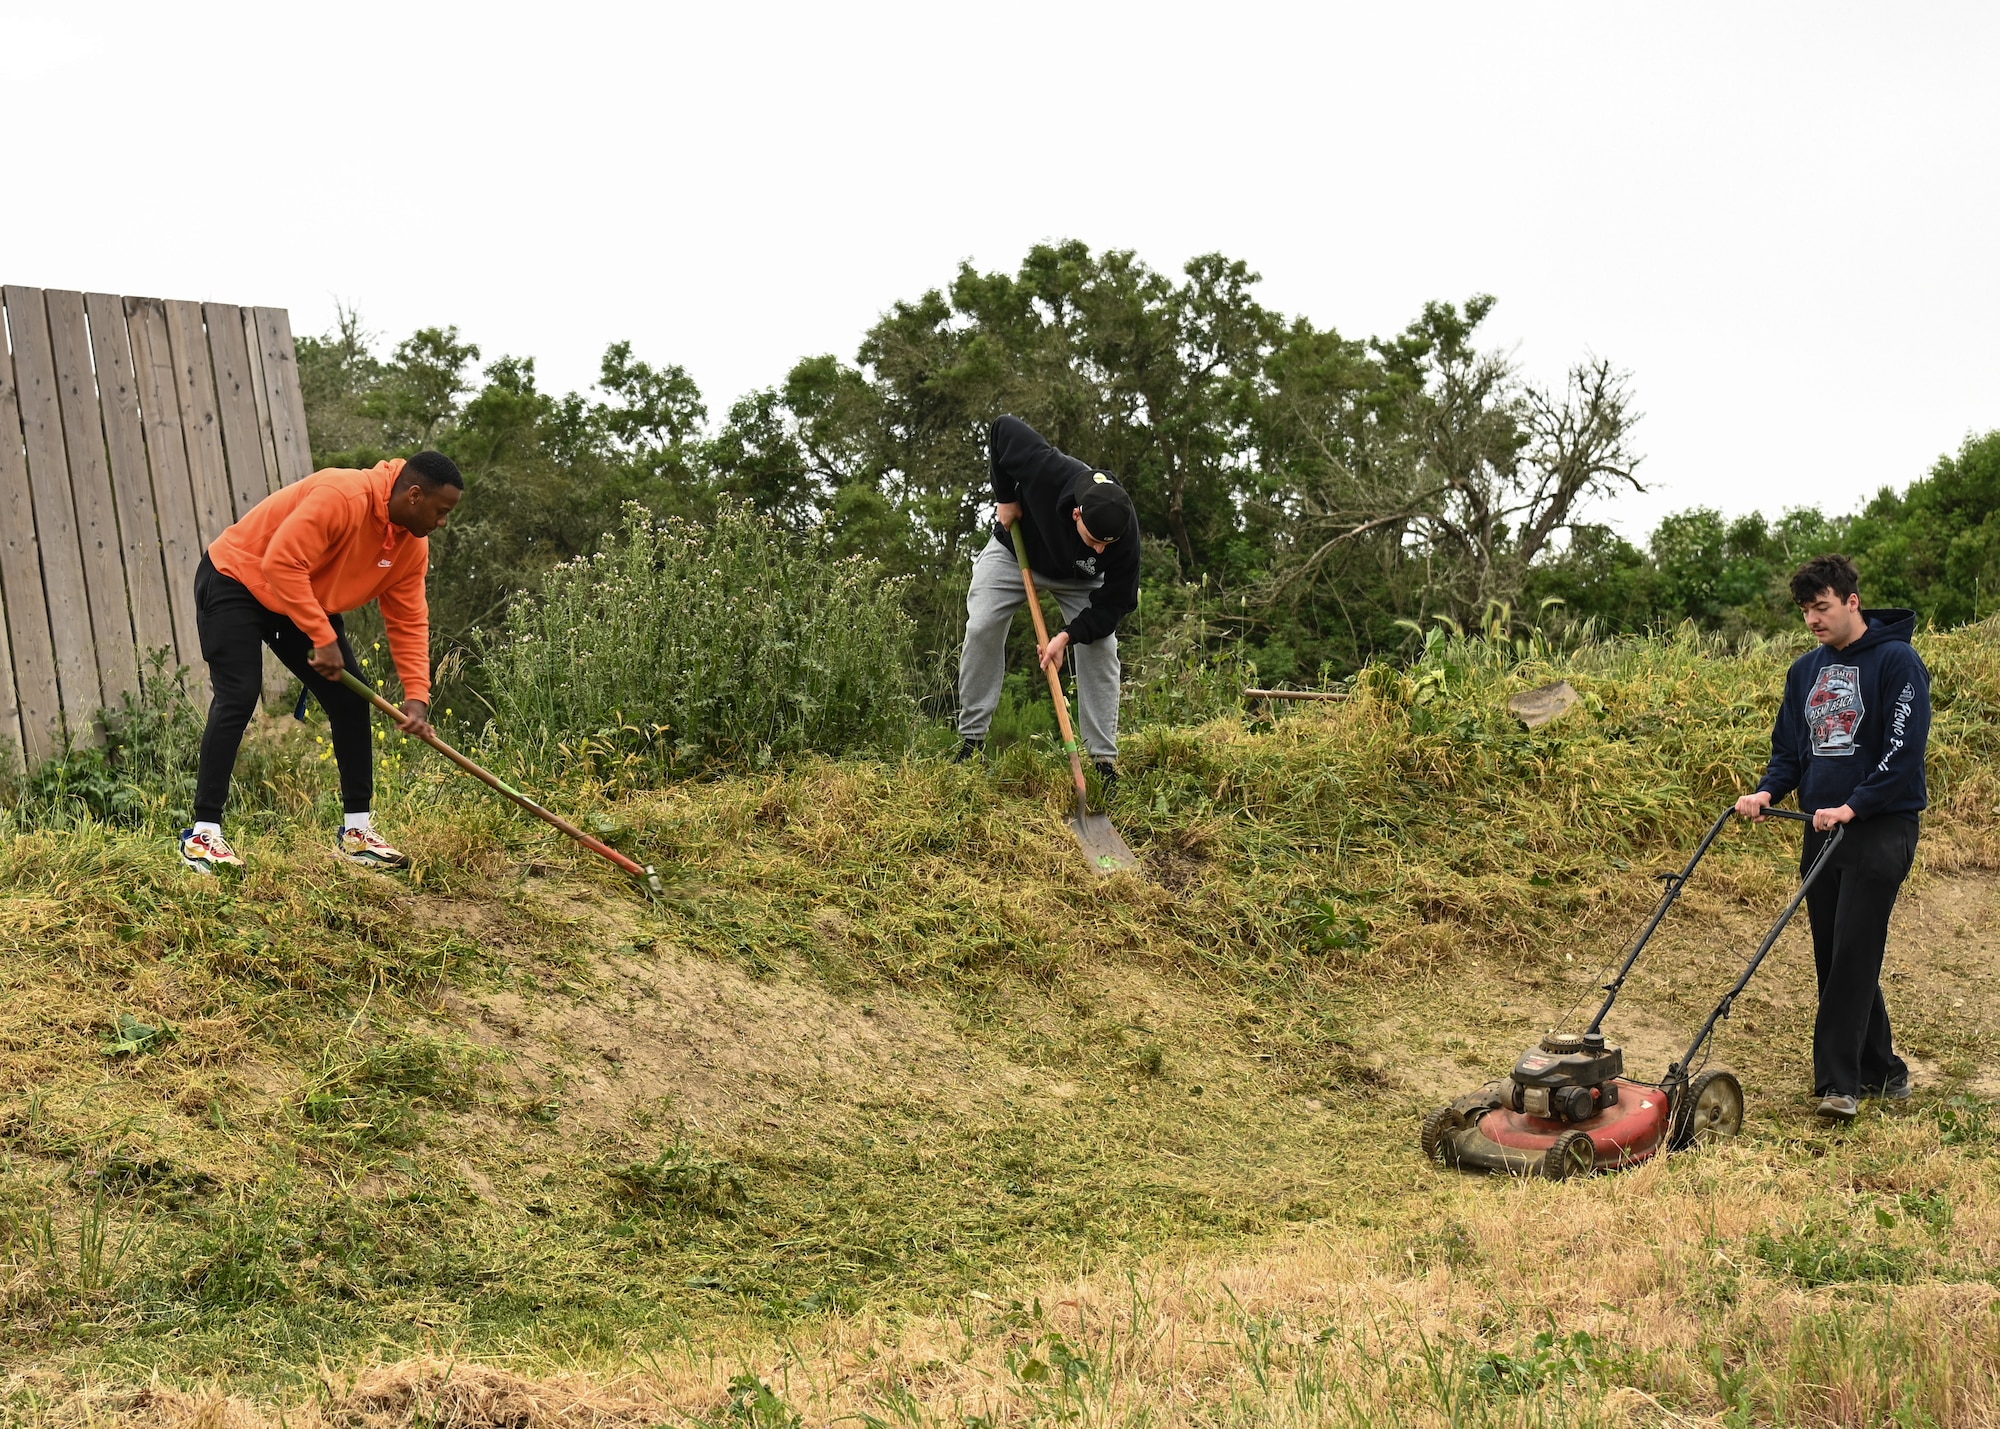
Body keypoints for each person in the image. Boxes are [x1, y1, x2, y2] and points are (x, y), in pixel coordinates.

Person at [178, 452, 463, 874]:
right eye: (441, 512)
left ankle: (357, 833)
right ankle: (203, 835)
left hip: (299, 596)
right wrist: (323, 636)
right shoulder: (342, 495)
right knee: (238, 693)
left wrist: (416, 697)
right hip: (237, 576)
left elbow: (408, 620)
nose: (442, 523)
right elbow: (280, 561)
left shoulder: (411, 548)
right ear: (414, 495)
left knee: (350, 701)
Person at [1735, 553, 1930, 1122]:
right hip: (1820, 831)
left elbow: (1904, 749)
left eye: (1822, 608)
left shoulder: (1898, 661)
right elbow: (1790, 752)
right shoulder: (1805, 672)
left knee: (1851, 952)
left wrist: (1855, 805)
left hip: (1880, 828)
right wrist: (1768, 792)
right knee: (1838, 953)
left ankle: (1838, 1086)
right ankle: (1883, 1070)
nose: (1813, 620)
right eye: (1805, 611)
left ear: (1852, 601)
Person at [956, 415, 1139, 791]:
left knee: (1102, 647)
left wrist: (1067, 636)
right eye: (1095, 540)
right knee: (982, 626)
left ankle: (1103, 763)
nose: (1103, 550)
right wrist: (1005, 499)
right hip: (1017, 551)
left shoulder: (1124, 530)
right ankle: (971, 743)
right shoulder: (1047, 467)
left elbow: (1115, 604)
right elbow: (1001, 428)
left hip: (1080, 579)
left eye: (1109, 544)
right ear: (1077, 514)